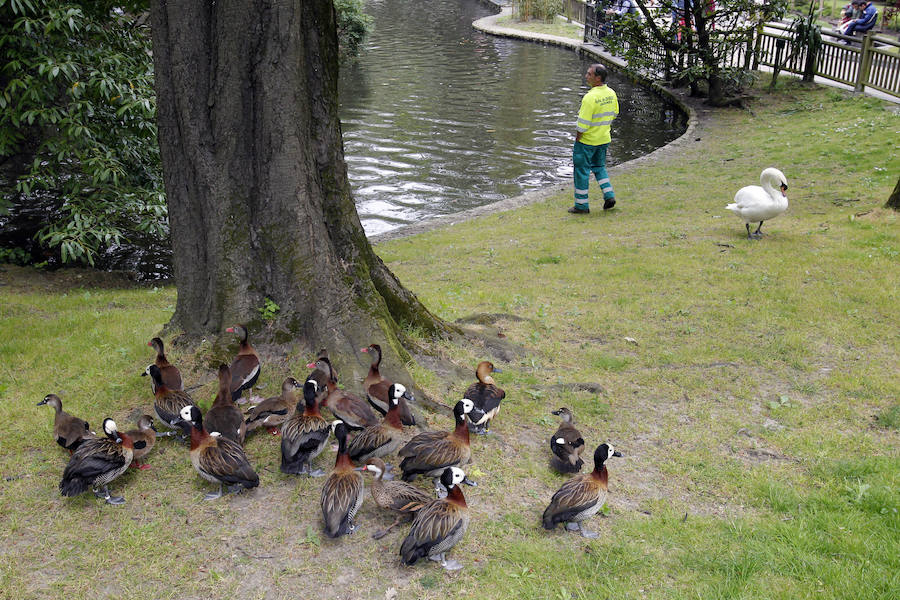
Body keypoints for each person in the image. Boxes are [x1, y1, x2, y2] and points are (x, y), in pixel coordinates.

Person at [569, 63, 619, 214]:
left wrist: (578, 139)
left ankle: (581, 205)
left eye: (589, 74)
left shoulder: (590, 98)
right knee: (599, 167)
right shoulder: (611, 93)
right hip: (604, 139)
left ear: (598, 78)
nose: (586, 76)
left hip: (587, 142)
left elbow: (582, 125)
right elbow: (615, 113)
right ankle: (609, 195)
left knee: (581, 171)